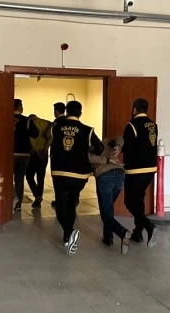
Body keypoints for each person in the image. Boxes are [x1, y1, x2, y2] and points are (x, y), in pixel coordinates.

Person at [50, 100, 103, 256]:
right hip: (80, 175)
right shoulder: (87, 130)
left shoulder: (56, 128)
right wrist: (86, 148)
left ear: (66, 112)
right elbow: (99, 148)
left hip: (61, 173)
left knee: (61, 208)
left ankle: (70, 232)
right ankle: (67, 239)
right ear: (80, 113)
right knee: (71, 204)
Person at [123, 98, 159, 247]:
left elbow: (128, 148)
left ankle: (149, 226)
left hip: (135, 170)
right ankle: (137, 233)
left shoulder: (131, 125)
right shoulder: (153, 125)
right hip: (150, 169)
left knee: (129, 202)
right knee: (139, 200)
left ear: (134, 109)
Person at [89, 135, 131, 254]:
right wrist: (118, 146)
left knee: (106, 214)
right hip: (119, 175)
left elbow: (89, 158)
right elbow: (119, 138)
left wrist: (105, 159)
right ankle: (108, 238)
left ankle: (123, 232)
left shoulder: (89, 149)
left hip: (105, 176)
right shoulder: (107, 142)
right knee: (108, 208)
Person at [13, 99, 38, 212]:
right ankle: (18, 203)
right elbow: (35, 134)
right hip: (23, 154)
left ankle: (9, 199)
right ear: (19, 107)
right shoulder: (27, 121)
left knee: (7, 178)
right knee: (19, 179)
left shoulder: (5, 118)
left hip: (9, 154)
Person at [26, 114, 52, 208]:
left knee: (29, 175)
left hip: (34, 153)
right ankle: (39, 196)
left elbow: (30, 139)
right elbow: (50, 137)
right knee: (41, 177)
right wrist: (45, 149)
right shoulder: (47, 123)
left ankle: (37, 195)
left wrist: (36, 151)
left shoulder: (29, 124)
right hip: (44, 154)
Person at [50, 102, 66, 209]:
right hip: (68, 154)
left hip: (57, 154)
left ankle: (59, 200)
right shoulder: (69, 121)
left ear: (56, 111)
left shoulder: (55, 123)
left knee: (57, 179)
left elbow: (48, 135)